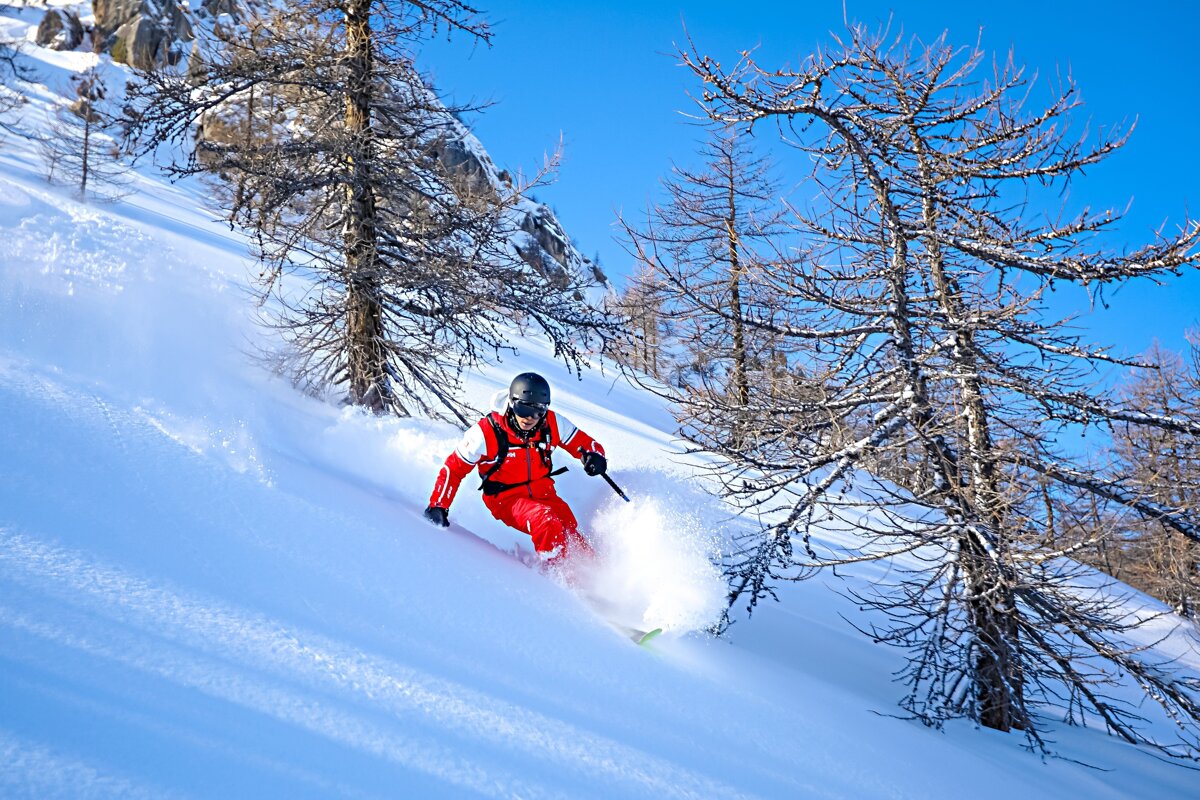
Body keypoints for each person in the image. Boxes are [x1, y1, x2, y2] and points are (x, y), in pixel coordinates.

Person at [424, 372, 609, 572]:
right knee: (546, 522)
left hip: (543, 491)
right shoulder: (486, 432)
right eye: (523, 408)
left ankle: (597, 574)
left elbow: (585, 443)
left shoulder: (552, 424)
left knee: (568, 527)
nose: (530, 418)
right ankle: (559, 577)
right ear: (512, 403)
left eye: (538, 411)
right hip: (506, 497)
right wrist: (438, 505)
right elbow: (454, 468)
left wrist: (595, 457)